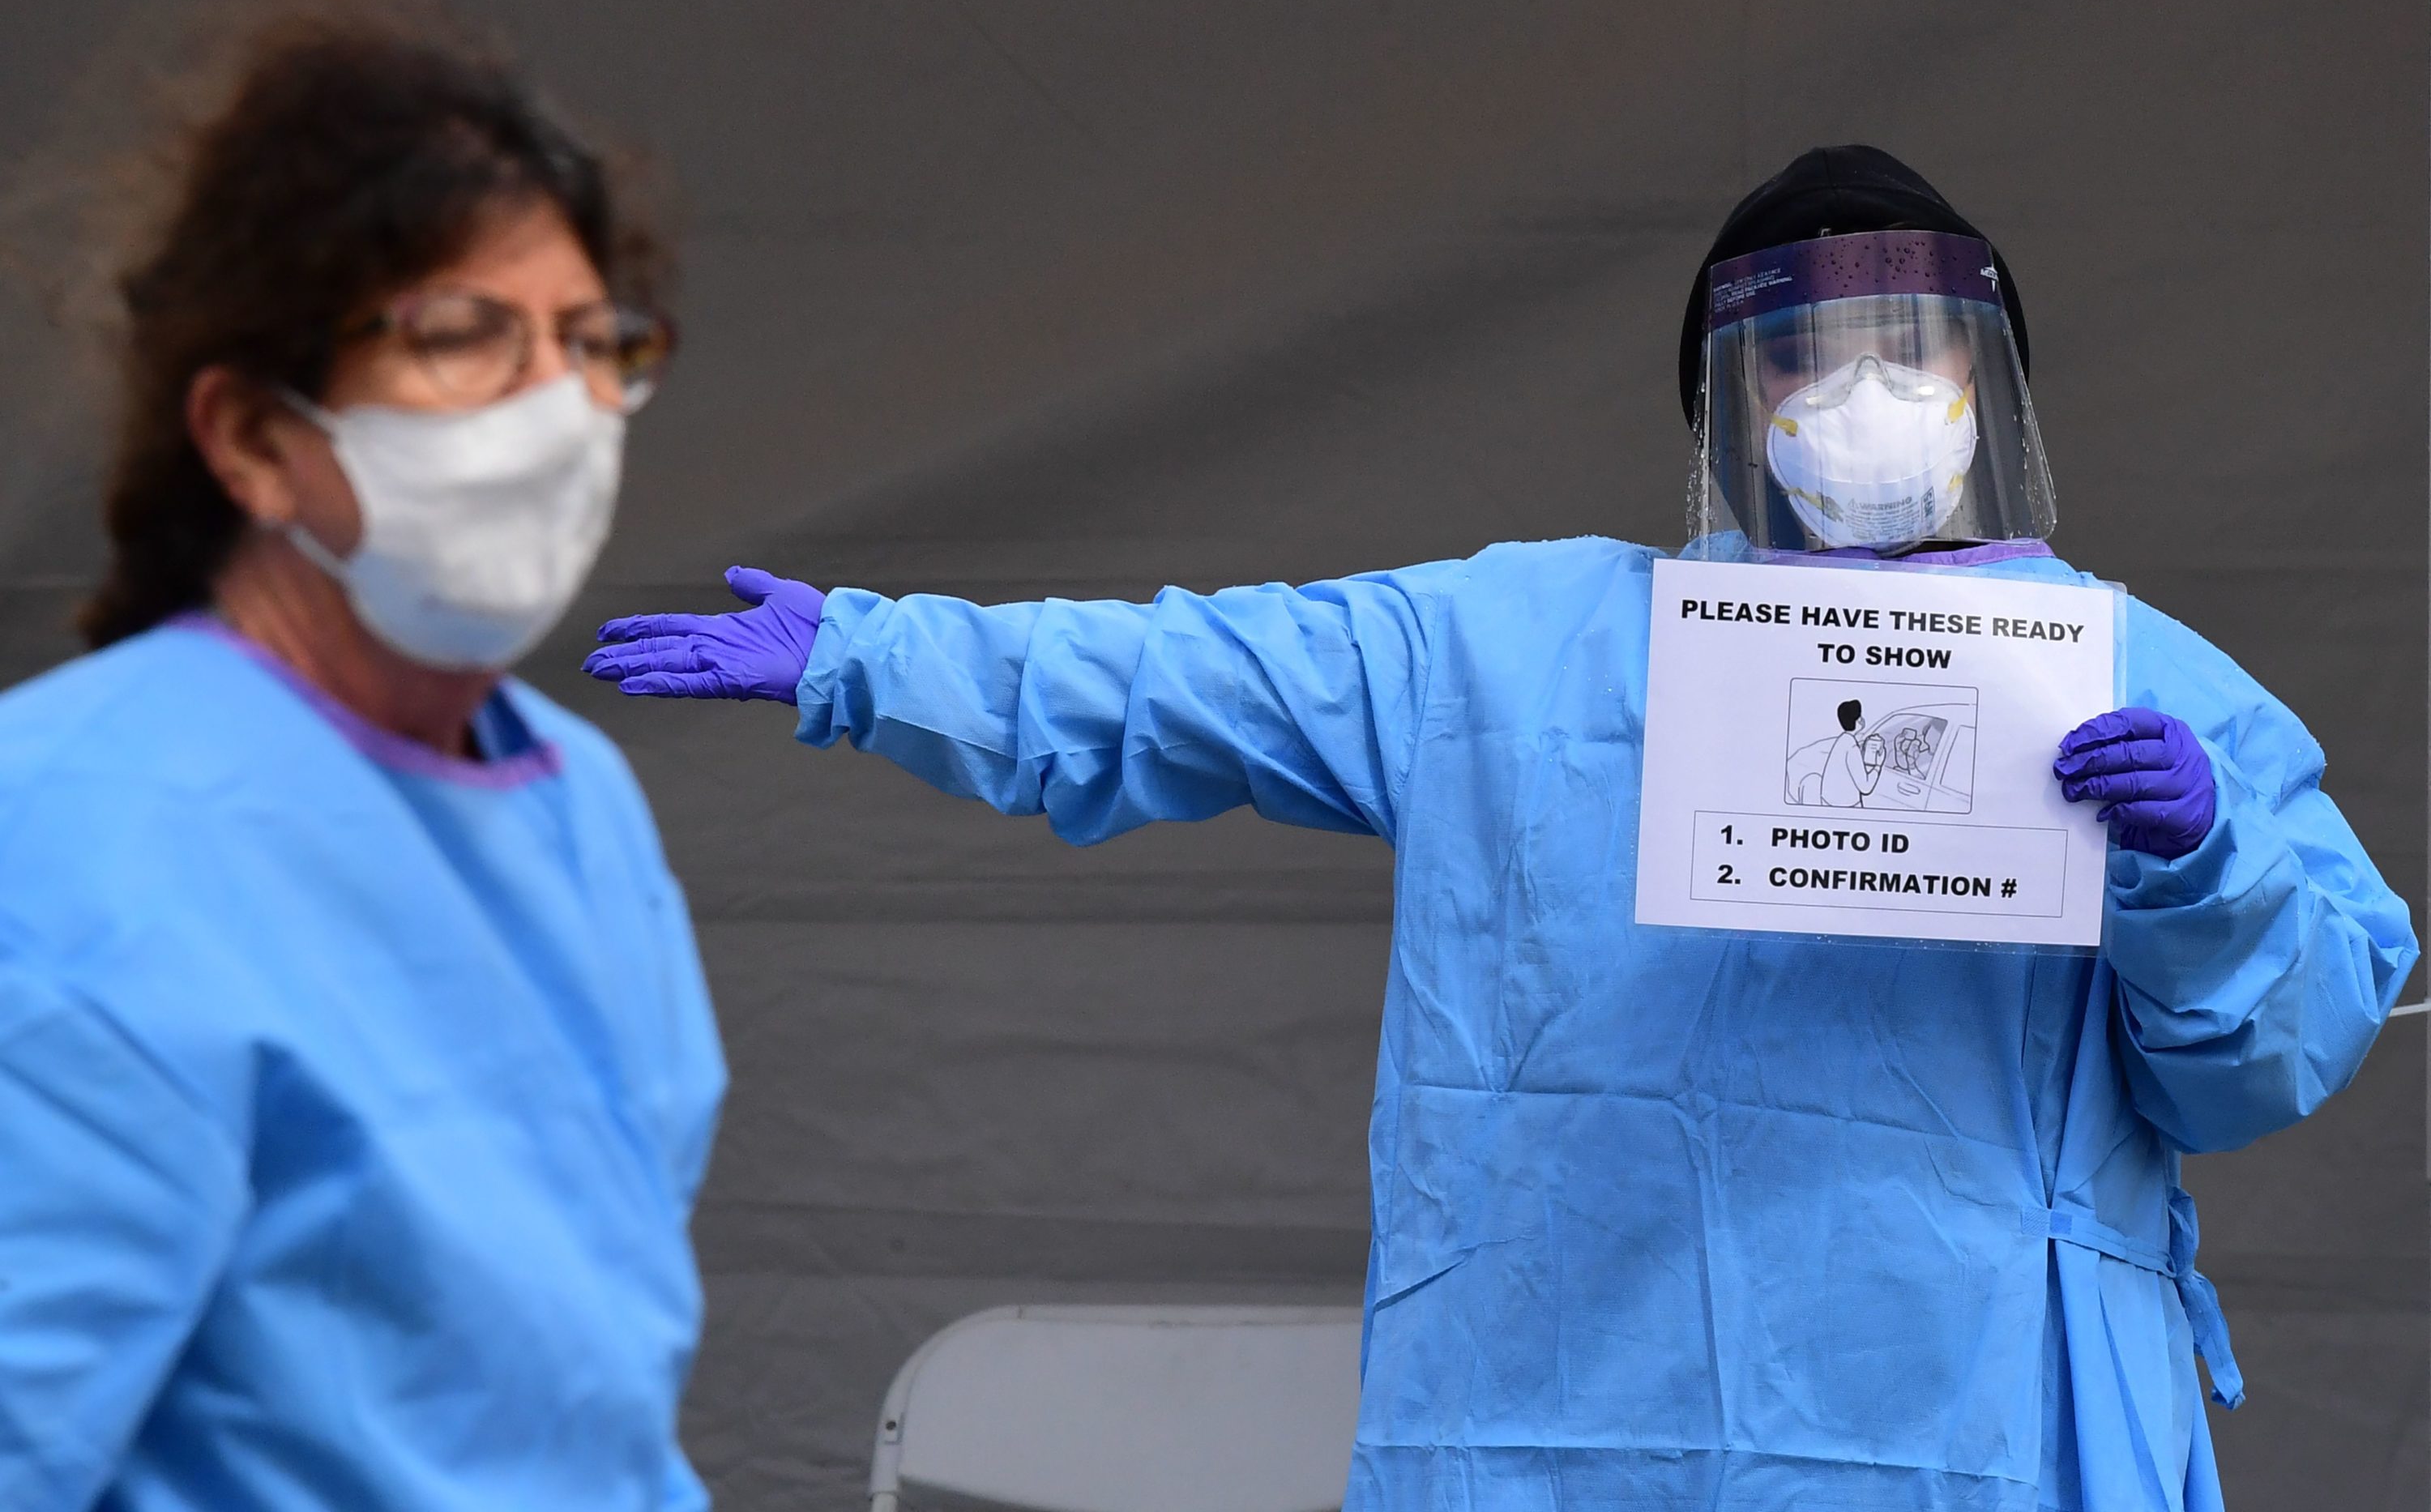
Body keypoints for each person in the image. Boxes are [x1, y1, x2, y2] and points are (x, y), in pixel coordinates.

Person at [583, 147, 2416, 1509]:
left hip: (1984, 1427)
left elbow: (2280, 1046)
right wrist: (873, 655)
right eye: (1804, 362)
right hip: (1577, 1425)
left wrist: (2200, 869)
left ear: (1986, 382)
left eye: (1911, 354)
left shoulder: (2123, 678)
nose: (1866, 400)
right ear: (1730, 408)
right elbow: (1193, 675)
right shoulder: (1519, 645)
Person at [0, 9, 723, 1510]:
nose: (559, 410)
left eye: (593, 343)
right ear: (256, 440)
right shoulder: (70, 843)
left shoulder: (574, 799)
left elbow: (592, 1401)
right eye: (464, 336)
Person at [1818, 697, 1880, 806]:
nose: (1862, 719)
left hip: (1829, 801)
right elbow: (1866, 787)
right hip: (1846, 806)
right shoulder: (1852, 747)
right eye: (1860, 716)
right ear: (1858, 721)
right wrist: (1878, 765)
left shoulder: (1842, 740)